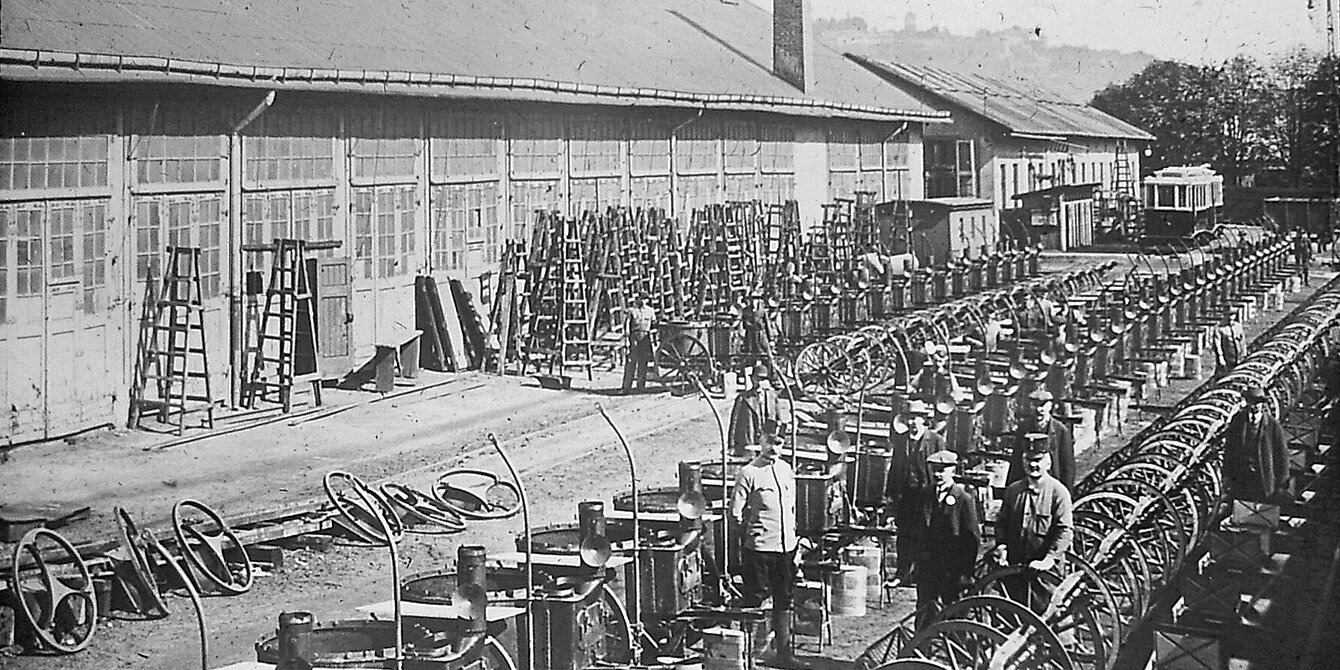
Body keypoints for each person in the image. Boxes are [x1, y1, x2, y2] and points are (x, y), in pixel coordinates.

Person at [729, 420, 809, 668]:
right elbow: (735, 514)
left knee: (784, 599)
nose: (773, 447)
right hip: (760, 549)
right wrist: (752, 534)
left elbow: (792, 508)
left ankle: (783, 655)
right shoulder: (748, 473)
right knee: (754, 601)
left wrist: (796, 541)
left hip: (785, 547)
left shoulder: (786, 470)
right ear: (760, 441)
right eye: (769, 441)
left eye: (778, 443)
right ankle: (749, 658)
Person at [993, 439, 1074, 609]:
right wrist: (1002, 548)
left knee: (1047, 623)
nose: (1033, 465)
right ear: (1023, 461)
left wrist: (1049, 559)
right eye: (1029, 460)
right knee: (1011, 622)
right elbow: (1002, 523)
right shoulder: (1013, 491)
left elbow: (1065, 531)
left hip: (1044, 577)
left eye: (1038, 460)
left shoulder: (1058, 493)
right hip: (1014, 572)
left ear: (1048, 462)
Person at [914, 450, 981, 630]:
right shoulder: (925, 494)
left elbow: (972, 539)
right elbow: (917, 530)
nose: (938, 474)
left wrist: (965, 573)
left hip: (952, 571)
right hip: (928, 569)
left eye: (943, 470)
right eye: (935, 469)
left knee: (953, 615)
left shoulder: (963, 499)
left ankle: (955, 653)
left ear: (953, 470)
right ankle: (920, 652)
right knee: (924, 613)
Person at [886, 402, 945, 584]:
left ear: (924, 420)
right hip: (906, 498)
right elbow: (895, 469)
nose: (912, 422)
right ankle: (901, 574)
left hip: (926, 496)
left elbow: (943, 469)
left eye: (916, 418)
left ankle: (922, 575)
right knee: (904, 536)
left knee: (927, 536)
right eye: (909, 418)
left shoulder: (935, 440)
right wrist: (891, 497)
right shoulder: (901, 440)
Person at [1224, 387, 1290, 503]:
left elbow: (1282, 455)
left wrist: (1282, 482)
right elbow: (1229, 450)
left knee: (1261, 512)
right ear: (1247, 403)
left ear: (1263, 404)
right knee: (1241, 510)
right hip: (1241, 477)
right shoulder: (1238, 421)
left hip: (1263, 478)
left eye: (1258, 403)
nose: (1255, 406)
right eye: (1252, 402)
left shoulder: (1272, 425)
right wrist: (1227, 475)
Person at [1007, 389, 1075, 491]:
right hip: (1027, 485)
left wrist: (1066, 493)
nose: (1039, 409)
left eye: (1043, 405)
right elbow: (1016, 462)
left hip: (1051, 486)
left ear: (1050, 406)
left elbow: (1067, 468)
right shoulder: (1024, 428)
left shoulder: (1060, 431)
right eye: (1035, 405)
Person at [728, 367, 781, 457]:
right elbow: (734, 423)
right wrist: (732, 445)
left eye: (763, 379)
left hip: (767, 443)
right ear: (752, 379)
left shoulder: (772, 397)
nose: (760, 382)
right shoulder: (743, 399)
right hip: (749, 442)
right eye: (757, 379)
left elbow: (779, 421)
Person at [622, 295, 657, 394]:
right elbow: (627, 325)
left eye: (645, 299)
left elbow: (654, 325)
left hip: (645, 338)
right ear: (637, 299)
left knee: (643, 363)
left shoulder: (650, 311)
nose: (643, 301)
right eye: (641, 299)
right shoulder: (632, 311)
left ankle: (640, 387)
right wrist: (627, 339)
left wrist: (654, 339)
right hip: (634, 337)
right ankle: (626, 387)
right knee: (631, 362)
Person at [740, 295, 772, 368]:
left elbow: (767, 324)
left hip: (760, 335)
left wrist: (770, 338)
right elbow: (742, 323)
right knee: (750, 355)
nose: (754, 301)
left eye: (756, 299)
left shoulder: (762, 310)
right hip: (750, 335)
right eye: (752, 299)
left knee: (766, 355)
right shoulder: (745, 310)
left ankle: (771, 372)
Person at [1212, 312, 1246, 377]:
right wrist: (1220, 357)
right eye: (1228, 316)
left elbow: (1242, 342)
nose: (1230, 320)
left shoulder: (1238, 326)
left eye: (1232, 315)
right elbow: (1217, 345)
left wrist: (1244, 354)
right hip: (1226, 357)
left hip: (1237, 356)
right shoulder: (1219, 328)